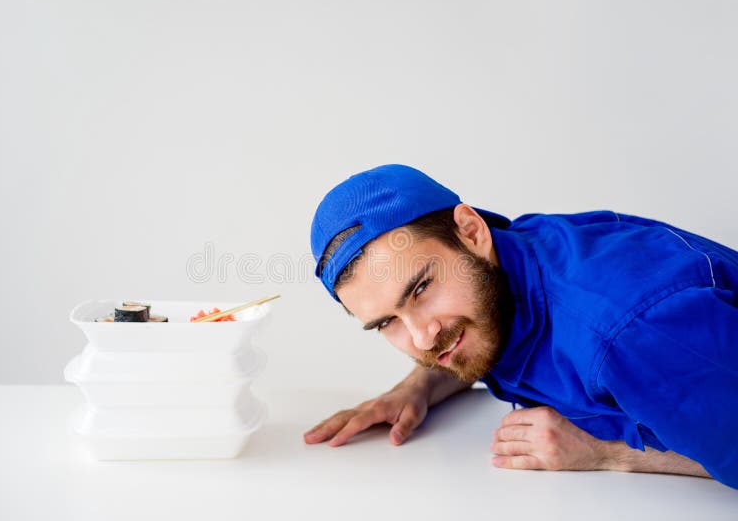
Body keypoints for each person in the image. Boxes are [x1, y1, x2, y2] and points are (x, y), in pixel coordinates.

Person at [302, 164, 738, 489]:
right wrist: (418, 387)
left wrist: (605, 453)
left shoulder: (632, 333)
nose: (421, 337)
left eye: (420, 290)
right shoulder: (491, 276)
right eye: (387, 322)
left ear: (471, 231)